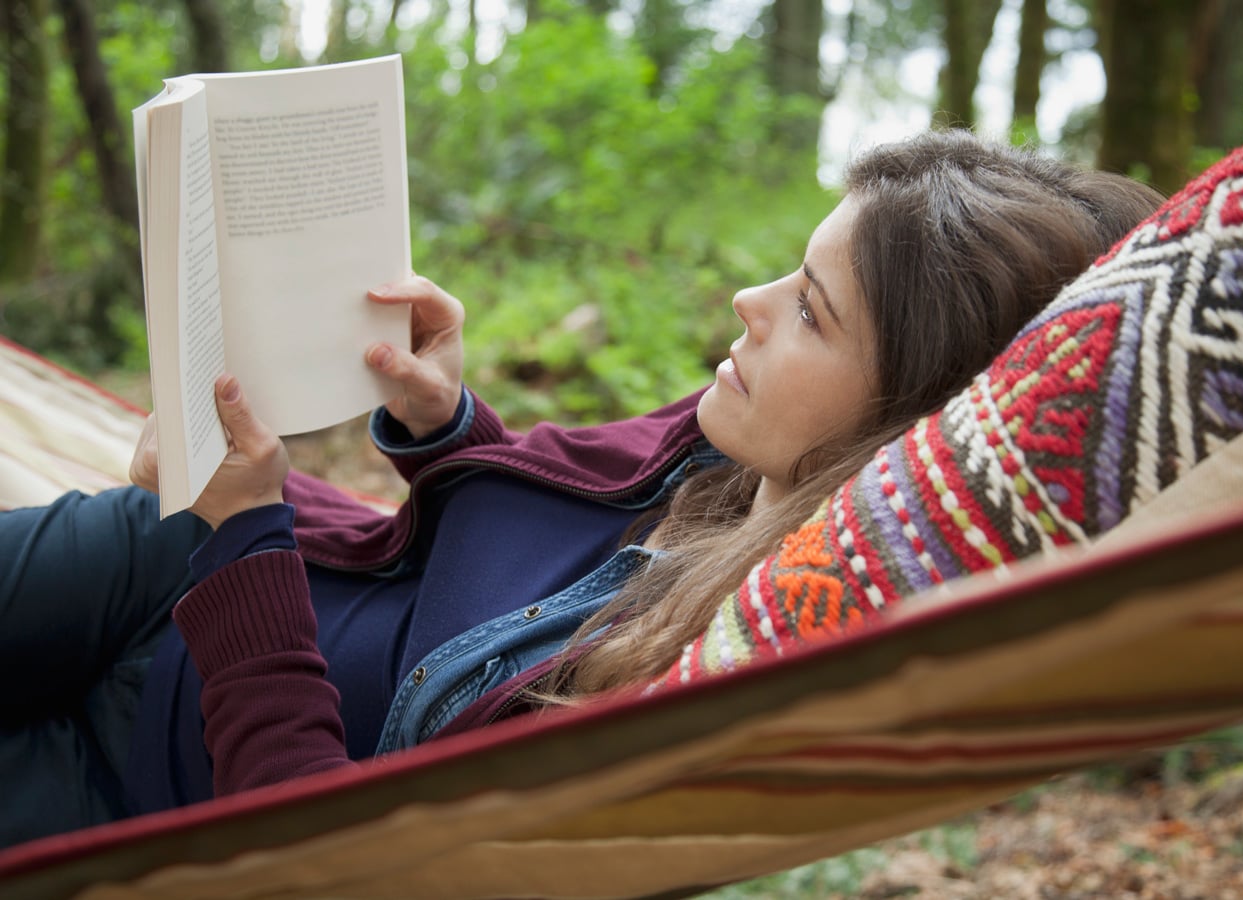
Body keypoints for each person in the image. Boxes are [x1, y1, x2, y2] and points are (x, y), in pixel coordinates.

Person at [0, 131, 1164, 847]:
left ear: (895, 422)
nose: (750, 303)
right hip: (161, 567)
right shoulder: (724, 457)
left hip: (157, 784)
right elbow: (498, 589)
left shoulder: (723, 675)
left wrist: (243, 541)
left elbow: (332, 863)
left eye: (812, 311)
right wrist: (444, 427)